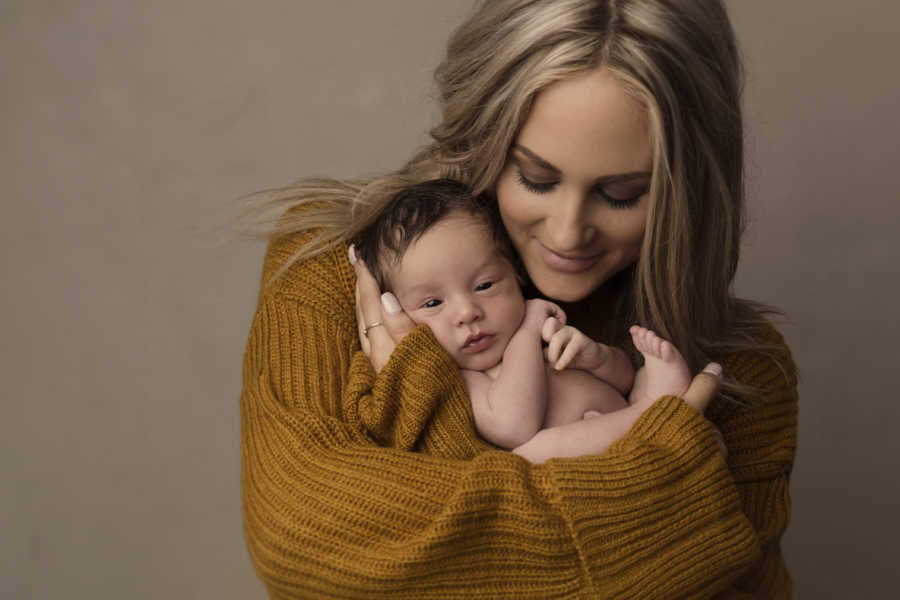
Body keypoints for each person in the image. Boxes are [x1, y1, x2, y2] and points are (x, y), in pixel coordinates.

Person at [240, 1, 798, 598]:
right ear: (483, 136)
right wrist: (672, 489)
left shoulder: (745, 367)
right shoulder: (332, 263)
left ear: (686, 190)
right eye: (536, 178)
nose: (566, 234)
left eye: (621, 194)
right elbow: (302, 544)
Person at [354, 178, 694, 464]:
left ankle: (654, 406)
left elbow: (620, 381)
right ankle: (654, 414)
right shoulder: (461, 379)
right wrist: (528, 332)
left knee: (642, 375)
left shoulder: (545, 332)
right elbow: (513, 426)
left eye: (485, 285)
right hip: (587, 467)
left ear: (516, 275)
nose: (466, 312)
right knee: (531, 452)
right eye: (432, 303)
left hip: (619, 419)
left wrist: (597, 358)